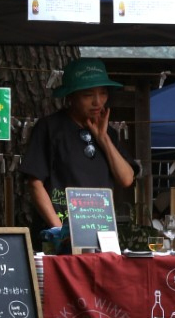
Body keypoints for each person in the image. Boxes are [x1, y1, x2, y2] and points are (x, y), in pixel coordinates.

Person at [21, 57, 135, 232]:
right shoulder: (49, 128)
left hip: (100, 231)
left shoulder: (108, 133)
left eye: (103, 93)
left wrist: (103, 139)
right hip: (59, 231)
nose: (98, 102)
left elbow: (126, 179)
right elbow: (35, 183)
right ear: (70, 96)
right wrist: (60, 231)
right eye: (88, 95)